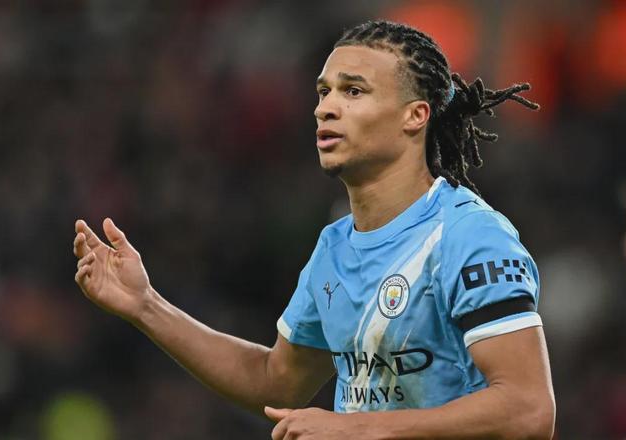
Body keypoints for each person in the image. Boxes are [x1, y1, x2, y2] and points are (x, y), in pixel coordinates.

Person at [73, 20, 555, 439]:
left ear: (415, 115)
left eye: (354, 91)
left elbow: (529, 410)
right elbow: (275, 382)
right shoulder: (335, 247)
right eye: (324, 92)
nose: (326, 108)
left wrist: (358, 428)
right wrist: (146, 305)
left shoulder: (468, 235)